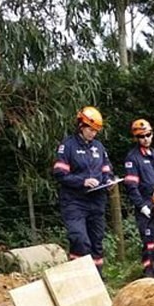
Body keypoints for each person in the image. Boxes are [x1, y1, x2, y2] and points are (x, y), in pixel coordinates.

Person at [52, 106, 115, 276]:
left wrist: (108, 180)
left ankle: (98, 278)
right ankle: (79, 276)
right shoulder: (68, 146)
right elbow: (60, 174)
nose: (93, 133)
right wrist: (83, 181)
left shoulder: (99, 147)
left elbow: (107, 169)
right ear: (81, 126)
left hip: (97, 201)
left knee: (97, 241)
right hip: (74, 202)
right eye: (90, 129)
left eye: (96, 130)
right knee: (79, 239)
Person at [123, 118, 154, 238]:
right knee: (150, 242)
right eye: (142, 136)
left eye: (148, 135)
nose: (146, 138)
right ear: (136, 138)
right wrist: (142, 206)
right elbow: (131, 186)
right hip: (146, 204)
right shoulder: (133, 158)